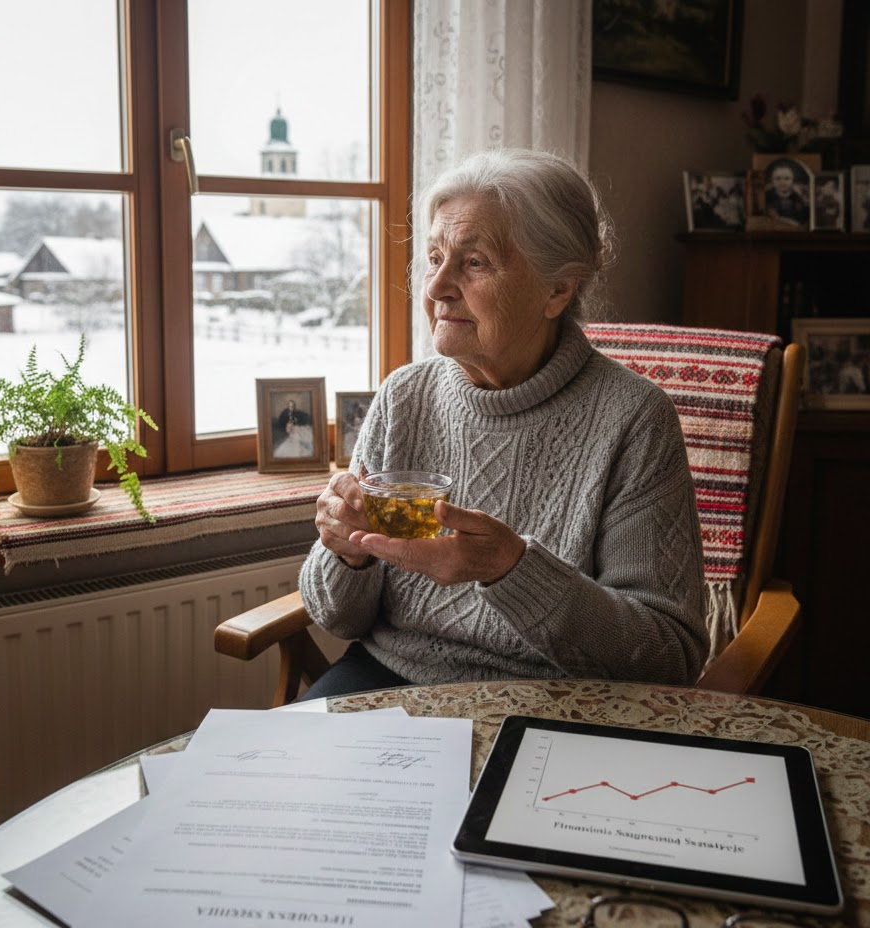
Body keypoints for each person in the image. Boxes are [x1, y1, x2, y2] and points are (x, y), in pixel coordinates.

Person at [297, 148, 709, 700]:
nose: (437, 287)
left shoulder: (633, 419)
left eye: (474, 263)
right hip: (389, 680)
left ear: (558, 290)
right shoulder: (404, 397)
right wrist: (347, 552)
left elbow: (669, 657)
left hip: (558, 700)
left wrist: (511, 570)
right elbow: (337, 617)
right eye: (435, 257)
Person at [763, 159, 810, 227]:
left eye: (787, 178)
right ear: (772, 181)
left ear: (792, 181)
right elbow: (772, 217)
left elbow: (803, 219)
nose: (782, 182)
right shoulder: (768, 196)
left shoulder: (798, 198)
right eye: (778, 178)